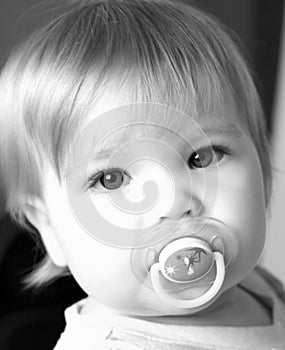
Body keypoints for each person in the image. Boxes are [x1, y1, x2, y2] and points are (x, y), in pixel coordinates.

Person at [0, 0, 285, 349]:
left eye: (202, 156)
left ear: (264, 177)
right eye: (112, 179)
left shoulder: (258, 287)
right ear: (48, 228)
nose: (173, 203)